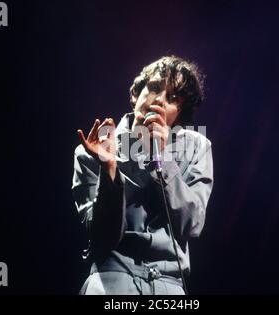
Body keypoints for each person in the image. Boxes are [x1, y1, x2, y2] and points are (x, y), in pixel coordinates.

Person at [72, 55, 213, 295]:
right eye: (155, 88)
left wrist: (161, 158)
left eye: (173, 98)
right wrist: (110, 172)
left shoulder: (196, 147)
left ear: (179, 113)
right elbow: (101, 236)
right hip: (111, 281)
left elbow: (193, 223)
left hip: (169, 285)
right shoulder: (96, 148)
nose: (159, 99)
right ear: (137, 94)